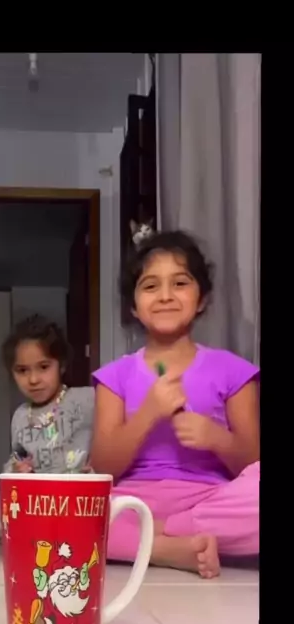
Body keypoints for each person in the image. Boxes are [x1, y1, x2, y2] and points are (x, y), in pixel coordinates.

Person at [90, 230, 259, 579]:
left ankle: (157, 535)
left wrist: (217, 438)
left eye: (180, 283)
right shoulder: (114, 376)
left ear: (202, 299)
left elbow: (253, 462)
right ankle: (166, 549)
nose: (165, 296)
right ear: (134, 306)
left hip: (209, 501)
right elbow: (104, 468)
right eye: (150, 286)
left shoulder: (233, 370)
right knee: (60, 509)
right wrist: (148, 413)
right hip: (132, 502)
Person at [0, 315, 95, 529]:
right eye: (22, 370)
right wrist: (16, 470)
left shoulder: (85, 399)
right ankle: (17, 526)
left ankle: (16, 528)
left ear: (61, 365)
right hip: (33, 500)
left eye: (43, 367)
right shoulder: (21, 416)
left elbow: (111, 433)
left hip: (75, 497)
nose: (33, 379)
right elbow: (18, 456)